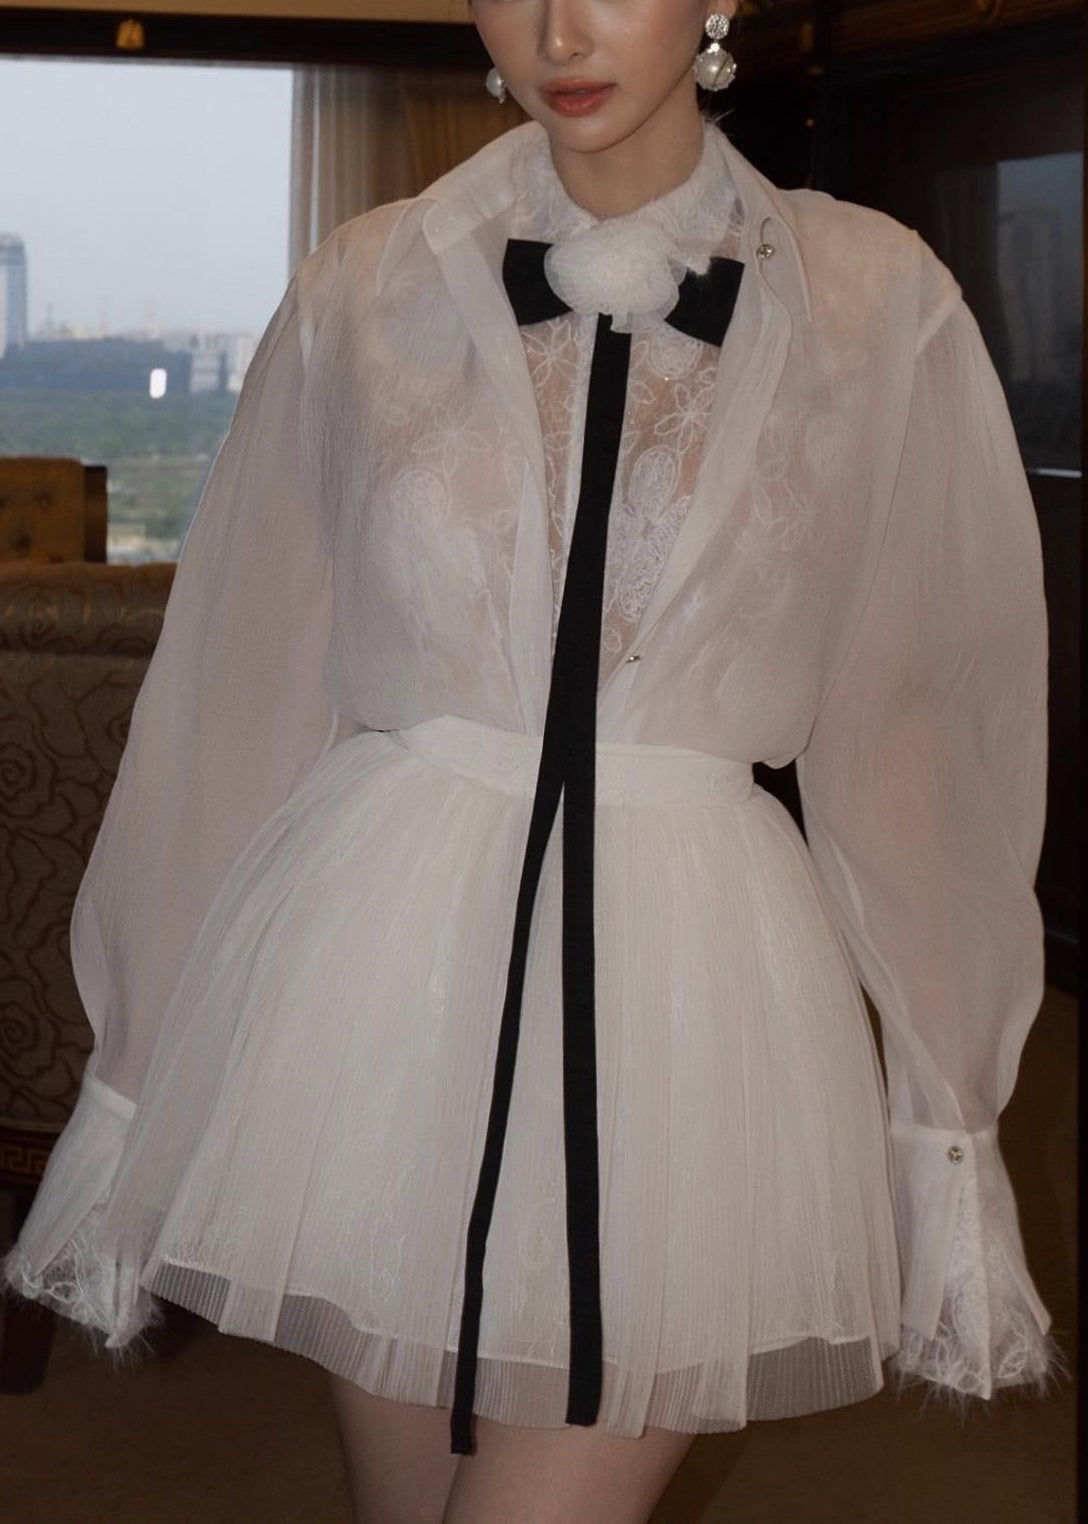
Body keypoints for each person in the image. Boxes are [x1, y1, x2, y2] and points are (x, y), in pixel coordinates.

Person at [2, 2, 1068, 1521]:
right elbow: (238, 695)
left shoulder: (873, 306)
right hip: (382, 994)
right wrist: (132, 1062)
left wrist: (946, 1111)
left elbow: (918, 733)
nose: (561, 28)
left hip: (685, 1012)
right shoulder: (366, 289)